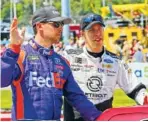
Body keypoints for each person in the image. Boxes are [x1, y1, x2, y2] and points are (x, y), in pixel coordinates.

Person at [1, 6, 102, 121]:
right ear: (39, 26)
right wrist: (13, 48)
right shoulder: (20, 55)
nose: (61, 28)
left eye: (62, 24)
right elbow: (2, 80)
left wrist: (99, 118)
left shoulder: (62, 62)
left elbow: (77, 98)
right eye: (56, 24)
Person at [62, 13, 148, 121]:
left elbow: (135, 88)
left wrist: (144, 98)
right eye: (92, 30)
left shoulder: (116, 61)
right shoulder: (69, 57)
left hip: (103, 118)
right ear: (83, 34)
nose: (97, 33)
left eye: (99, 29)